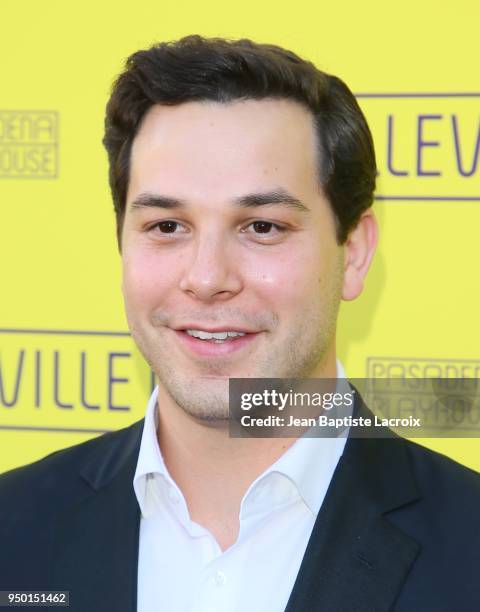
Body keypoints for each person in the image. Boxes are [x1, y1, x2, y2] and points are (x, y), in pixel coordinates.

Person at [1, 35, 479, 612]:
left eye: (262, 227)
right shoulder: (15, 528)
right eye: (167, 226)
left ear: (352, 252)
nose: (207, 278)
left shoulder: (467, 545)